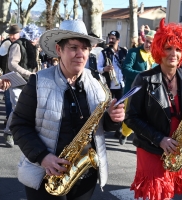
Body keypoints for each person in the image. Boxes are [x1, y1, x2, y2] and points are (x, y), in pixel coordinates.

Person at [10, 19, 125, 200]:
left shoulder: (98, 83)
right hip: (45, 177)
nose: (80, 54)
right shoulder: (38, 82)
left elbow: (102, 127)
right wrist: (43, 157)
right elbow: (18, 125)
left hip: (84, 177)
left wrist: (112, 118)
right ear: (59, 50)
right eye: (73, 47)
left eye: (85, 48)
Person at [124, 18, 182, 200]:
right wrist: (160, 140)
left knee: (169, 194)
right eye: (168, 48)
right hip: (152, 147)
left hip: (178, 147)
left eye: (178, 49)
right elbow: (131, 118)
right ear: (159, 49)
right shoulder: (144, 79)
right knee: (156, 195)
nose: (173, 54)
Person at [3, 24, 41, 148]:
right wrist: (28, 73)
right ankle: (8, 132)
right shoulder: (17, 45)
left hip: (29, 82)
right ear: (30, 36)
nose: (36, 40)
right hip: (16, 82)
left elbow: (34, 64)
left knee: (28, 110)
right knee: (17, 109)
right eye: (35, 37)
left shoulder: (33, 47)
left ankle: (18, 133)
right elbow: (12, 65)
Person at [120, 29, 156, 145]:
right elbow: (125, 69)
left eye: (151, 42)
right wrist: (141, 75)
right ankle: (124, 133)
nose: (148, 44)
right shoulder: (134, 52)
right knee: (130, 116)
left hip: (148, 93)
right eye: (147, 41)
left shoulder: (156, 56)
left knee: (144, 117)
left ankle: (139, 140)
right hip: (132, 90)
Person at [97, 30, 127, 140]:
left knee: (120, 106)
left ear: (118, 40)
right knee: (107, 105)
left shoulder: (124, 51)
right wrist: (105, 69)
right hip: (109, 84)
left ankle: (119, 127)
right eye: (109, 38)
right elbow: (98, 68)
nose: (110, 40)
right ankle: (104, 125)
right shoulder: (104, 52)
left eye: (113, 38)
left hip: (121, 84)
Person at [0, 24, 20, 131]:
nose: (12, 36)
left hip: (21, 76)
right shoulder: (5, 44)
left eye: (14, 34)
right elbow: (1, 59)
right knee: (8, 99)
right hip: (7, 76)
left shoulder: (22, 44)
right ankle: (9, 118)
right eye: (10, 34)